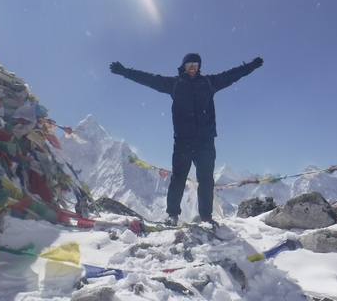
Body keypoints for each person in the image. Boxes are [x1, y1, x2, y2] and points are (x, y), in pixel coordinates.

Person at [109, 53, 263, 225]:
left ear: (199, 66)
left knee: (206, 179)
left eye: (195, 64)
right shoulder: (175, 84)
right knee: (178, 178)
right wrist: (125, 72)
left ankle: (206, 217)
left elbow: (232, 75)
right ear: (183, 66)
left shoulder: (209, 82)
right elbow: (148, 79)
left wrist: (250, 66)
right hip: (183, 140)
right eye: (189, 64)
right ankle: (172, 215)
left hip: (205, 140)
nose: (192, 67)